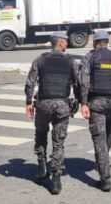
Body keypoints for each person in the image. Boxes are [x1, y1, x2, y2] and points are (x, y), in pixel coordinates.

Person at [24, 31, 80, 195]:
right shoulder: (70, 61)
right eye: (66, 42)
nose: (67, 45)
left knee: (41, 134)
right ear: (61, 43)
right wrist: (78, 102)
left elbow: (30, 83)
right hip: (62, 104)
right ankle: (56, 179)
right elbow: (78, 84)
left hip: (43, 104)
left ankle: (41, 166)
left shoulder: (40, 59)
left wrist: (28, 102)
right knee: (59, 141)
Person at [79, 31, 111, 192]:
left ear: (95, 43)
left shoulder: (90, 58)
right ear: (107, 42)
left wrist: (83, 103)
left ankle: (105, 179)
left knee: (100, 140)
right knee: (108, 137)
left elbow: (84, 82)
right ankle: (103, 164)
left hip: (96, 104)